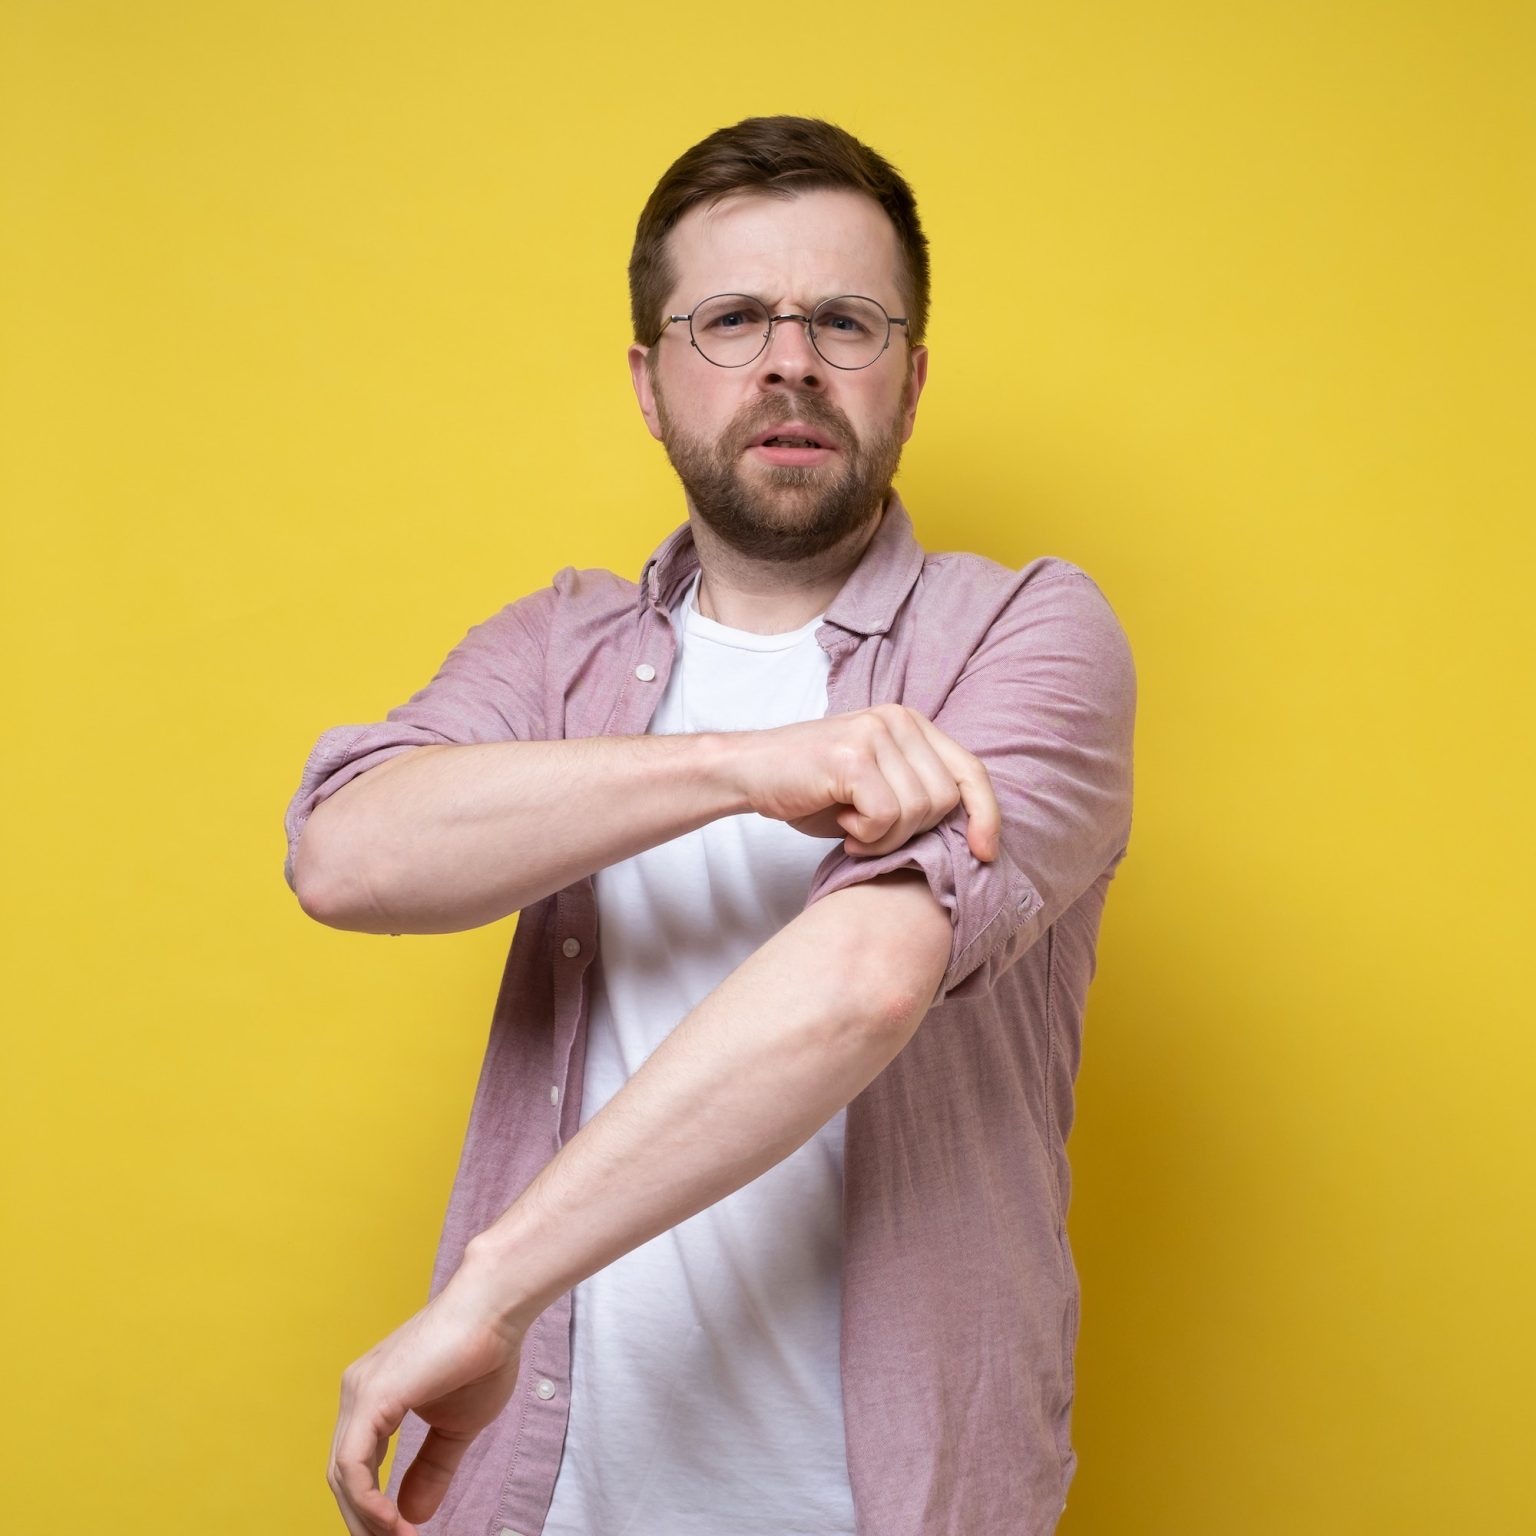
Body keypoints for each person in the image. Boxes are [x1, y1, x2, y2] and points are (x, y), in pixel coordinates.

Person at [285, 114, 1136, 1536]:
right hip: (553, 1499)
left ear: (912, 376)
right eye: (733, 319)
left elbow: (868, 978)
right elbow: (346, 856)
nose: (790, 361)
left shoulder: (1027, 634)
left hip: (887, 1502)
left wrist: (490, 1289)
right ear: (650, 378)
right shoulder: (556, 651)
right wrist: (746, 765)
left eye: (845, 322)